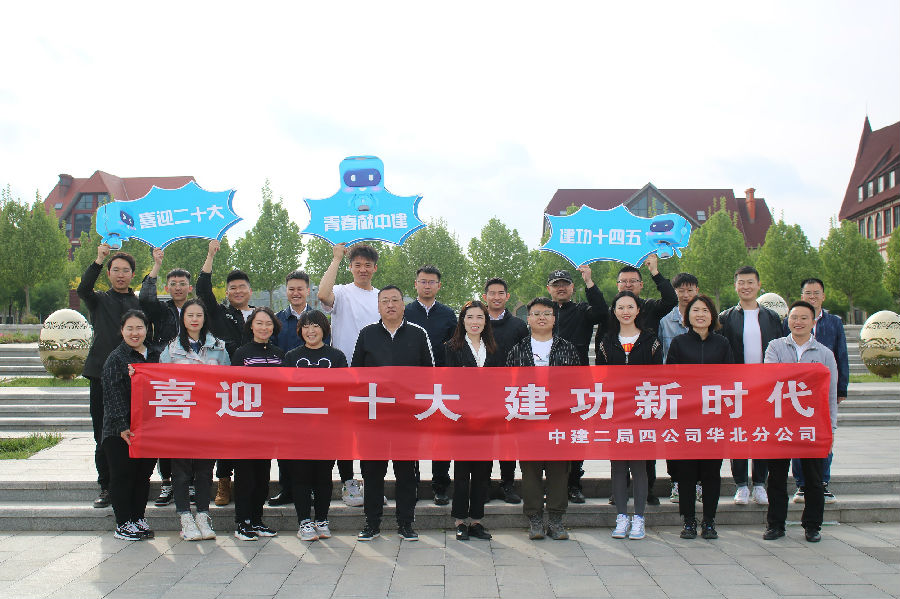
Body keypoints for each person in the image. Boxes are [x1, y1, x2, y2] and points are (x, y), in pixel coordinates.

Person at [351, 285, 434, 541]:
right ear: (378, 306)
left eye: (395, 300)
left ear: (403, 304)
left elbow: (429, 374)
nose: (390, 305)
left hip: (406, 418)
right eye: (385, 301)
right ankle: (371, 523)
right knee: (372, 472)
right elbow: (355, 374)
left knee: (407, 472)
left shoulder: (418, 334)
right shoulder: (367, 334)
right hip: (374, 417)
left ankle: (406, 523)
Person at [763, 301, 838, 543]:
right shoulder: (775, 347)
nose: (798, 322)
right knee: (776, 477)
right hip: (780, 423)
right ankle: (776, 525)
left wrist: (831, 429)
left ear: (813, 322)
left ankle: (813, 526)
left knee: (814, 479)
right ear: (788, 321)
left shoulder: (825, 354)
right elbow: (771, 377)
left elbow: (830, 396)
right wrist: (806, 376)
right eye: (794, 317)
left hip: (812, 426)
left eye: (804, 318)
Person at [506, 297, 581, 541]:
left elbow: (579, 385)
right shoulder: (517, 350)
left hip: (560, 420)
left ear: (554, 318)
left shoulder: (567, 348)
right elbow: (509, 386)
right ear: (528, 319)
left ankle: (556, 520)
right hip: (528, 420)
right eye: (536, 313)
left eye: (547, 313)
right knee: (530, 471)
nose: (541, 317)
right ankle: (535, 519)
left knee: (559, 470)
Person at [609, 254, 677, 506]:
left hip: (646, 389)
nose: (627, 285)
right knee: (619, 441)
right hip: (618, 391)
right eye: (623, 281)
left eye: (633, 281)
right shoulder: (613, 311)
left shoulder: (650, 307)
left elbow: (670, 300)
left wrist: (655, 271)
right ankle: (618, 490)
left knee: (646, 441)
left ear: (641, 284)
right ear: (617, 285)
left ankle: (646, 490)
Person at [159, 298, 228, 541]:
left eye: (199, 315)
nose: (195, 319)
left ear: (205, 318)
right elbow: (160, 380)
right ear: (183, 319)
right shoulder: (171, 349)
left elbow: (228, 379)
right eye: (190, 315)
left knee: (204, 471)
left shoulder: (218, 347)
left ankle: (203, 516)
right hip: (181, 419)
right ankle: (185, 518)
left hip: (208, 419)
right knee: (180, 472)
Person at [596, 291, 663, 540]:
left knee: (639, 466)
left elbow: (658, 378)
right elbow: (601, 378)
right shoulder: (606, 342)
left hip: (643, 411)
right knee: (618, 466)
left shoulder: (651, 341)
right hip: (616, 412)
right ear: (614, 311)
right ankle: (622, 516)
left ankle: (639, 518)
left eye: (630, 307)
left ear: (638, 310)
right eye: (620, 307)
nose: (625, 311)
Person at [77, 243, 140, 509]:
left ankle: (134, 481)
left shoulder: (138, 303)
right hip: (101, 376)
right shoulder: (99, 300)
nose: (121, 275)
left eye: (125, 271)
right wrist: (99, 258)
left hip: (134, 378)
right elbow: (83, 289)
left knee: (134, 431)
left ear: (132, 275)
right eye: (116, 270)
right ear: (109, 273)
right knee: (103, 432)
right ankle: (106, 485)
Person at [318, 242, 380, 508]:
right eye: (357, 265)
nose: (362, 269)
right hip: (343, 374)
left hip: (374, 375)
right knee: (344, 432)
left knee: (371, 433)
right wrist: (336, 259)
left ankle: (373, 483)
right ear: (351, 267)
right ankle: (348, 481)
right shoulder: (342, 292)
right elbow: (322, 294)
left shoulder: (381, 297)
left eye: (367, 265)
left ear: (375, 268)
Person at [666, 294, 734, 540]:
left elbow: (731, 379)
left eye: (705, 310)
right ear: (688, 316)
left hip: (714, 419)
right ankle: (688, 521)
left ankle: (709, 521)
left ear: (712, 315)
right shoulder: (679, 343)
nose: (700, 314)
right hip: (686, 420)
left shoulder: (722, 344)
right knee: (686, 473)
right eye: (695, 310)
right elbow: (671, 379)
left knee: (711, 473)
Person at [197, 240, 255, 507]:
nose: (238, 291)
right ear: (228, 292)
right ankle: (223, 481)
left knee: (250, 436)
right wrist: (210, 255)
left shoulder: (261, 316)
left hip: (255, 386)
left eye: (242, 287)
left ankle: (250, 482)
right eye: (233, 288)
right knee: (225, 434)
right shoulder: (218, 314)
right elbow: (202, 289)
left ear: (250, 290)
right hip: (224, 385)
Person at [544, 266, 607, 504]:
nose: (561, 288)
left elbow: (601, 313)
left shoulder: (582, 311)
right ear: (549, 289)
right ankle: (552, 484)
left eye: (565, 284)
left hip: (578, 385)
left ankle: (574, 484)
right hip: (548, 385)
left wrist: (589, 281)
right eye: (556, 284)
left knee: (576, 435)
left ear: (572, 287)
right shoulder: (542, 312)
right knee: (550, 437)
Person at [719, 266, 782, 506]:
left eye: (750, 282)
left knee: (761, 435)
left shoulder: (771, 317)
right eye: (741, 282)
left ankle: (759, 484)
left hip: (765, 387)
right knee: (738, 436)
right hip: (737, 387)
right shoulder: (726, 318)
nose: (746, 287)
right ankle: (741, 485)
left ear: (758, 285)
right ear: (735, 286)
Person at [284, 310, 348, 541]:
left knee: (323, 475)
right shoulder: (291, 357)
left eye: (316, 326)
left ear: (324, 329)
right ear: (300, 330)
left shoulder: (336, 356)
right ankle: (304, 522)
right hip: (299, 428)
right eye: (306, 326)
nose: (311, 331)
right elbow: (284, 391)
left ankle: (322, 519)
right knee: (301, 475)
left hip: (327, 428)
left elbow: (343, 390)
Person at [140, 247, 194, 508]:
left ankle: (191, 482)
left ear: (190, 288)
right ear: (167, 287)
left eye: (182, 284)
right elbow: (145, 298)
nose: (178, 288)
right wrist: (156, 265)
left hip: (194, 379)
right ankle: (168, 482)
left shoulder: (198, 311)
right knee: (166, 431)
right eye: (173, 284)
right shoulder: (161, 311)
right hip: (166, 378)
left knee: (193, 431)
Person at [785, 278, 848, 504]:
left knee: (824, 436)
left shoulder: (834, 323)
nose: (812, 296)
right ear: (802, 296)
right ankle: (802, 484)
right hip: (796, 393)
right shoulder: (791, 320)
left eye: (816, 293)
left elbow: (841, 354)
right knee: (798, 436)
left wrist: (841, 388)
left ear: (823, 296)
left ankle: (823, 482)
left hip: (823, 391)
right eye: (808, 293)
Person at [444, 301, 501, 541]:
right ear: (462, 321)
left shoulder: (494, 349)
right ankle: (460, 520)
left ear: (486, 322)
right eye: (470, 317)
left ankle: (477, 520)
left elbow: (501, 384)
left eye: (480, 317)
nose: (475, 322)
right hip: (462, 420)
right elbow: (448, 383)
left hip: (487, 420)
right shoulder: (451, 348)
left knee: (482, 472)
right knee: (461, 472)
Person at [100, 309, 159, 541]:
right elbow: (112, 395)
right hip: (121, 431)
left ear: (147, 329)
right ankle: (123, 523)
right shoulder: (116, 358)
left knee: (142, 476)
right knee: (122, 476)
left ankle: (138, 518)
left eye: (139, 328)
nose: (135, 333)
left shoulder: (155, 355)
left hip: (148, 428)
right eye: (130, 328)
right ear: (122, 331)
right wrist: (122, 426)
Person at [230, 307, 285, 541]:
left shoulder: (279, 354)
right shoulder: (241, 353)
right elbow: (232, 387)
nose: (264, 327)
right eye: (259, 323)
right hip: (245, 425)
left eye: (268, 323)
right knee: (245, 476)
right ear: (251, 325)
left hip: (269, 425)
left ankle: (257, 519)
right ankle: (242, 522)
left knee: (262, 476)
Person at [404, 265, 457, 506]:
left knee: (440, 437)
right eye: (423, 281)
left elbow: (455, 346)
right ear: (415, 284)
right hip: (411, 384)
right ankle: (411, 484)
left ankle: (440, 486)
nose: (427, 285)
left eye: (432, 282)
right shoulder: (405, 312)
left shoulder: (448, 314)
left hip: (440, 385)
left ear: (439, 285)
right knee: (411, 436)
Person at [268, 269, 316, 508]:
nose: (296, 293)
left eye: (300, 289)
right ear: (285, 291)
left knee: (312, 443)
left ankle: (313, 489)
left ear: (308, 290)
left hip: (314, 393)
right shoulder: (276, 321)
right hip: (285, 393)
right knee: (285, 444)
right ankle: (286, 489)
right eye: (291, 289)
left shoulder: (318, 319)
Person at [482, 277, 527, 504]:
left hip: (511, 391)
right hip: (482, 393)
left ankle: (508, 484)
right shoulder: (478, 322)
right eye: (492, 293)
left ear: (507, 297)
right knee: (484, 441)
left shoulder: (518, 326)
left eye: (501, 293)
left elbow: (525, 357)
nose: (496, 297)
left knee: (508, 442)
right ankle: (483, 484)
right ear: (485, 297)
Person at [657, 272, 700, 504]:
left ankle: (698, 483)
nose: (685, 295)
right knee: (674, 438)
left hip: (701, 391)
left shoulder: (705, 318)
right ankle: (676, 482)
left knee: (700, 438)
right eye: (681, 290)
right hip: (673, 390)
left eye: (690, 290)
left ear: (697, 291)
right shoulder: (665, 321)